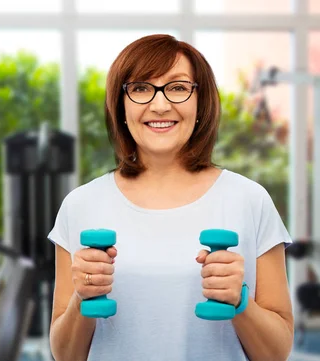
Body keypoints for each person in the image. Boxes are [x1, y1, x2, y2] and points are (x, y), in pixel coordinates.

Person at [47, 34, 294, 361]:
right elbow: (66, 355)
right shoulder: (80, 205)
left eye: (177, 88)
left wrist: (240, 302)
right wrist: (81, 298)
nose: (160, 105)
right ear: (121, 105)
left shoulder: (250, 200)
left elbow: (277, 353)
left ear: (200, 103)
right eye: (140, 88)